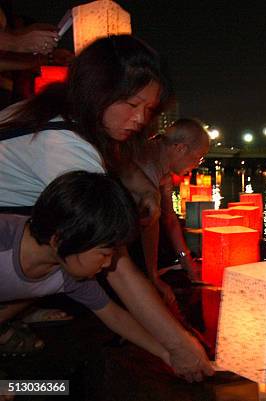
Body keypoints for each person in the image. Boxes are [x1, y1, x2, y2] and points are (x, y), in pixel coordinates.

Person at [0, 35, 213, 380]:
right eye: (132, 104)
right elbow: (117, 264)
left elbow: (115, 164)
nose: (141, 119)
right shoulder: (67, 148)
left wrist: (144, 188)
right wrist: (178, 344)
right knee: (79, 244)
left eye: (149, 109)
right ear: (97, 90)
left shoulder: (57, 109)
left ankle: (23, 301)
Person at [1, 171, 170, 370]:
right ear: (59, 240)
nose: (109, 264)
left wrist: (168, 354)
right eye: (104, 253)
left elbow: (115, 316)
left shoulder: (68, 269)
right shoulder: (5, 239)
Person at [120, 118, 210, 303]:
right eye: (198, 158)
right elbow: (150, 221)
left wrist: (187, 263)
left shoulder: (164, 172)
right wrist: (153, 277)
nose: (196, 165)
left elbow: (170, 219)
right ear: (180, 149)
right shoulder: (146, 160)